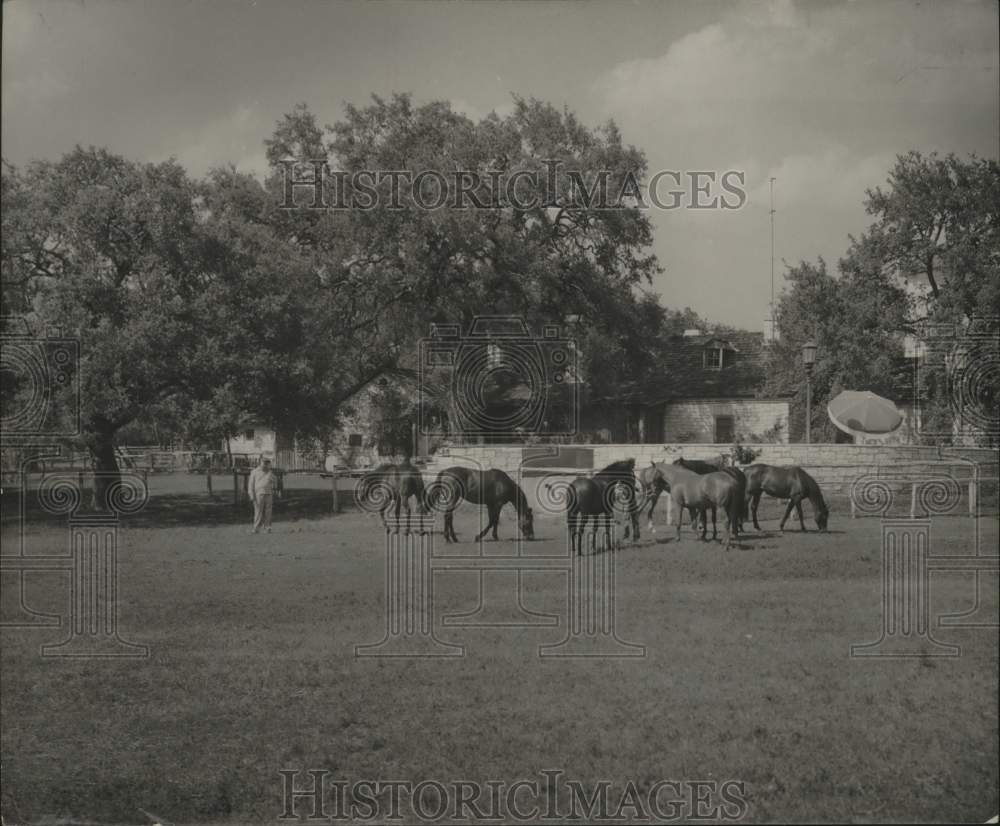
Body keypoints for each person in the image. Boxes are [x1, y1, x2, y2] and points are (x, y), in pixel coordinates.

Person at [248, 457, 277, 534]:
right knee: (258, 512)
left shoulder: (270, 472)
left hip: (269, 493)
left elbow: (275, 481)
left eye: (267, 463)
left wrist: (271, 477)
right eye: (264, 463)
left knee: (268, 512)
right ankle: (256, 528)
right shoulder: (254, 472)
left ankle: (267, 528)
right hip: (258, 494)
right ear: (260, 463)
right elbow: (251, 485)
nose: (265, 465)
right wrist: (251, 495)